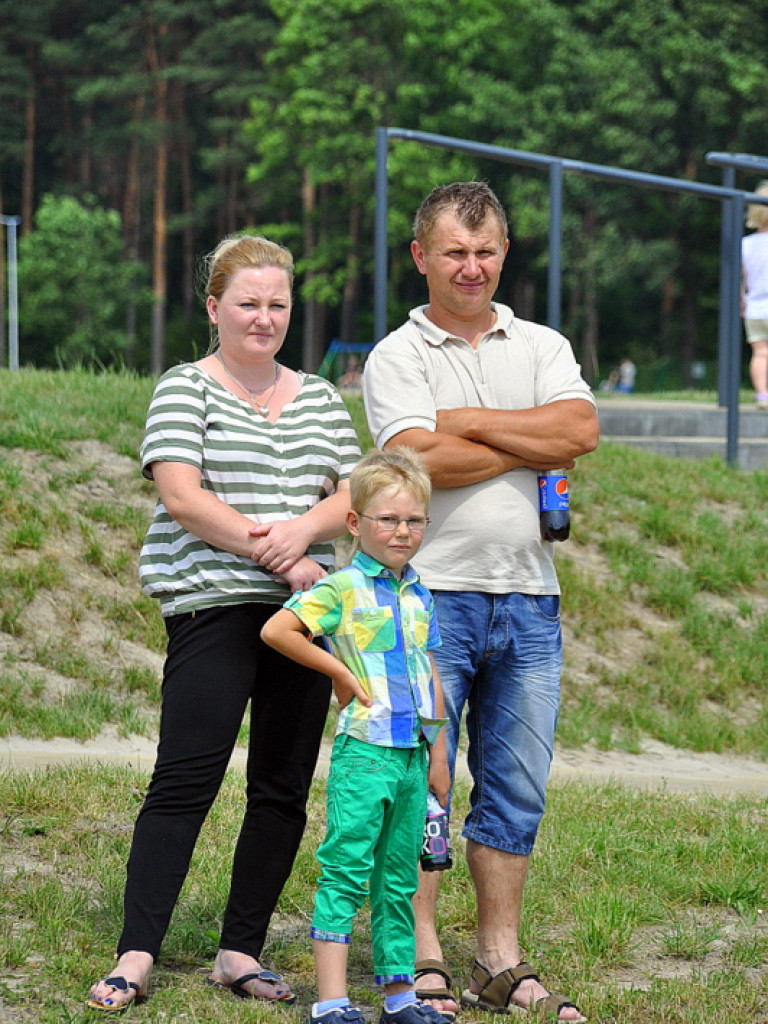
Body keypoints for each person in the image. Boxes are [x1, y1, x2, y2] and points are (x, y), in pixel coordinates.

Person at [87, 234, 361, 1012]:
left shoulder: (317, 397)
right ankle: (136, 952)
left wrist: (305, 539)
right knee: (185, 778)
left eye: (277, 303)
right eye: (248, 303)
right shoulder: (185, 388)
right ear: (214, 308)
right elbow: (182, 497)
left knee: (281, 787)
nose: (264, 317)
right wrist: (281, 551)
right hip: (213, 602)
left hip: (306, 615)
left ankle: (239, 950)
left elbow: (352, 494)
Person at [363, 182, 599, 1023]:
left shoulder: (542, 342)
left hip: (530, 598)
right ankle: (423, 950)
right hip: (430, 598)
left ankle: (499, 957)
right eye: (455, 251)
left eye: (487, 250)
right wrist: (520, 433)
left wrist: (468, 423)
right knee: (423, 781)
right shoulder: (400, 353)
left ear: (505, 252)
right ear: (421, 255)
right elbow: (415, 461)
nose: (473, 267)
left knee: (516, 786)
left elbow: (577, 434)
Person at [261, 447, 450, 1024]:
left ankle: (399, 999)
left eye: (414, 519)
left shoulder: (419, 592)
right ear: (355, 523)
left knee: (398, 880)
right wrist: (340, 672)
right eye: (388, 519)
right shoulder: (341, 588)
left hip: (414, 757)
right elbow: (278, 629)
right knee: (346, 868)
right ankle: (333, 1002)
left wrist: (440, 753)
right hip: (365, 752)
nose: (402, 531)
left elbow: (430, 669)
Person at [741, 181, 768, 410]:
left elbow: (742, 279)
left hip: (755, 307)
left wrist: (742, 300)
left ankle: (762, 395)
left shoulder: (745, 244)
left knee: (760, 353)